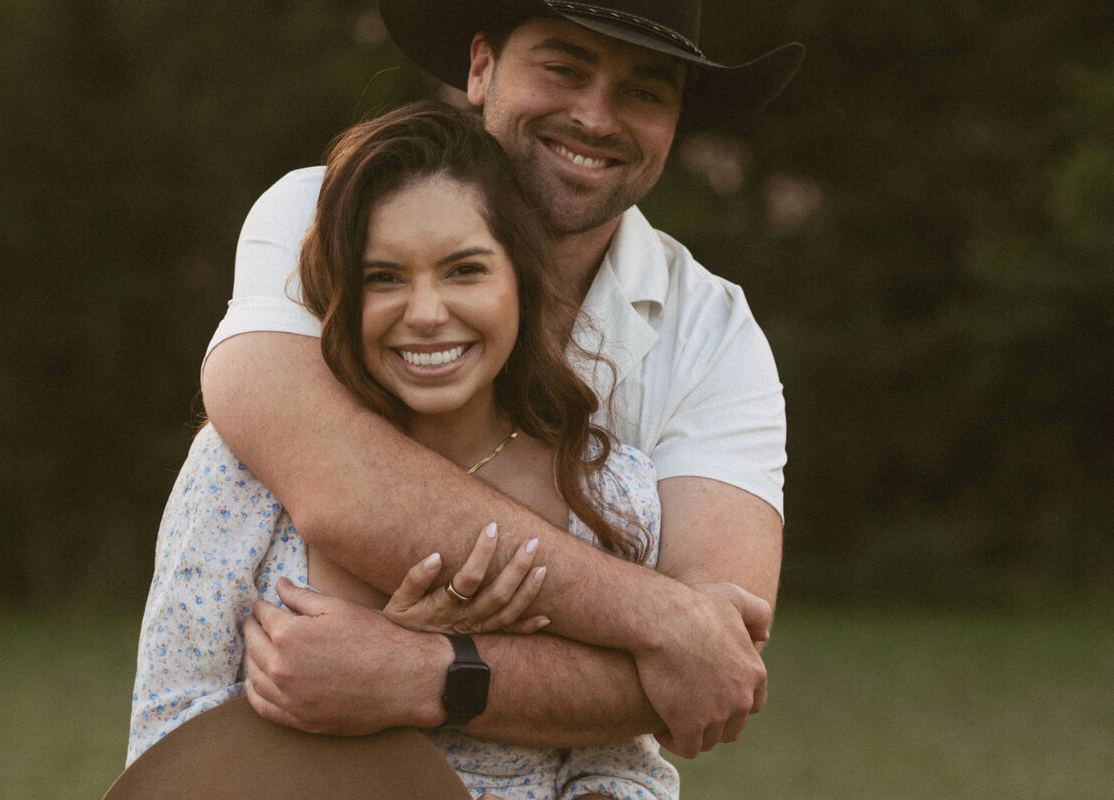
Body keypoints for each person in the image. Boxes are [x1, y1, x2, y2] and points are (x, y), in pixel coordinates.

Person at [204, 0, 803, 761]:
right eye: (563, 68)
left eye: (645, 90)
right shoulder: (322, 213)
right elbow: (342, 485)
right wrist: (661, 619)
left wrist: (428, 675)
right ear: (481, 67)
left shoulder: (716, 337)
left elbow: (716, 671)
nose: (595, 116)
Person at [129, 102, 679, 799]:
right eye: (384, 277)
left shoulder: (608, 493)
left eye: (464, 271)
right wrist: (354, 688)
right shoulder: (240, 471)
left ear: (522, 279)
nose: (425, 313)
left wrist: (423, 665)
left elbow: (623, 766)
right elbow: (164, 743)